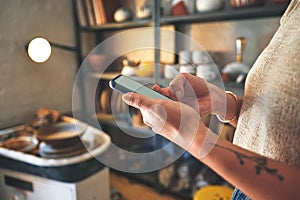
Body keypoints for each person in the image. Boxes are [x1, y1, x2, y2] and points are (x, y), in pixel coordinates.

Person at [121, 0, 300, 199]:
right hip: (247, 187)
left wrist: (194, 137)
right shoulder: (293, 10)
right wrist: (226, 104)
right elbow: (285, 127)